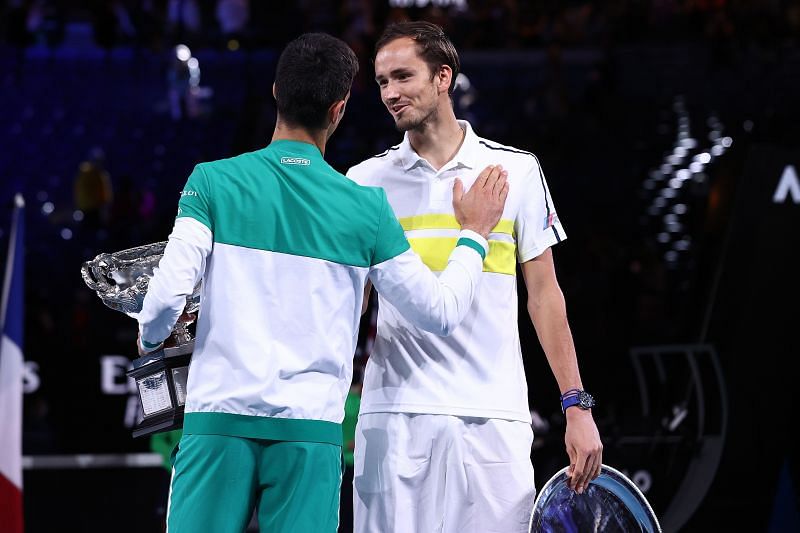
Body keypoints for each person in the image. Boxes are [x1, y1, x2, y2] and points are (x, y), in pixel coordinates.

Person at [135, 32, 509, 533]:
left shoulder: (212, 182)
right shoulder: (365, 207)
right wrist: (475, 235)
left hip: (216, 426)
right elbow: (437, 312)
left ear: (275, 93)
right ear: (339, 108)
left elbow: (162, 306)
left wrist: (149, 335)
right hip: (309, 437)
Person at [346, 21, 603, 533]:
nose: (390, 94)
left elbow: (545, 296)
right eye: (380, 82)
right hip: (394, 416)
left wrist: (576, 405)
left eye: (403, 77)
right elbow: (349, 308)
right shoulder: (365, 181)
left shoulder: (517, 170)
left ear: (444, 77)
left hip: (493, 416)